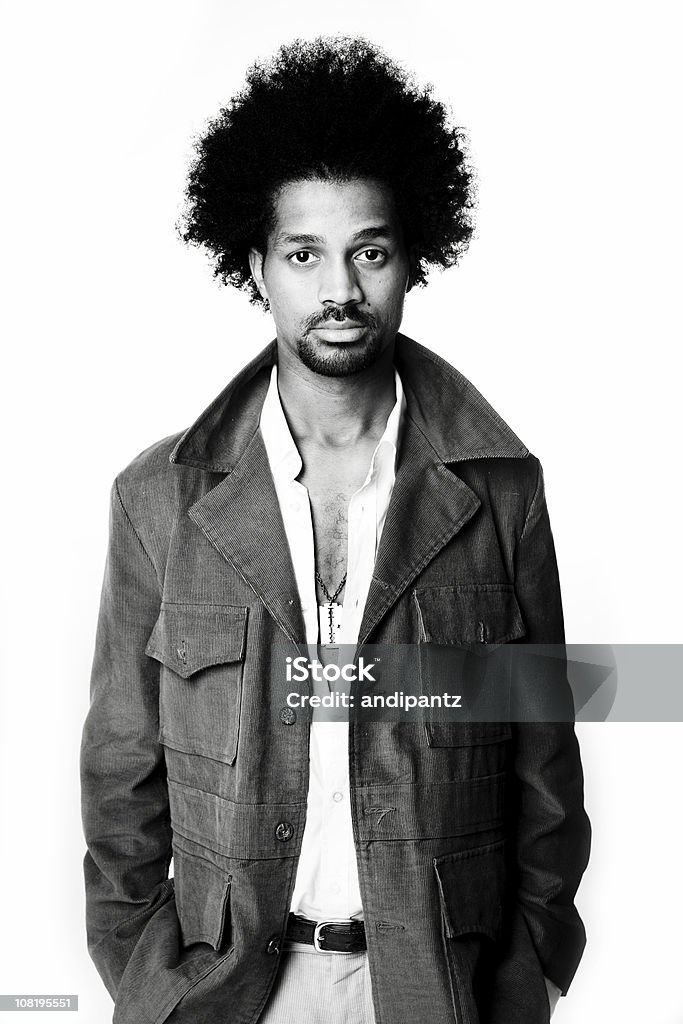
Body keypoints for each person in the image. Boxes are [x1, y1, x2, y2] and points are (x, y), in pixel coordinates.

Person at [80, 36, 591, 1024]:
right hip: (229, 993)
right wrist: (147, 974)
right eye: (303, 254)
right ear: (256, 268)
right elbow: (119, 770)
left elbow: (545, 764)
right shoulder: (158, 501)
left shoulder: (499, 495)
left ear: (411, 260)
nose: (340, 290)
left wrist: (533, 969)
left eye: (368, 250)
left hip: (435, 992)